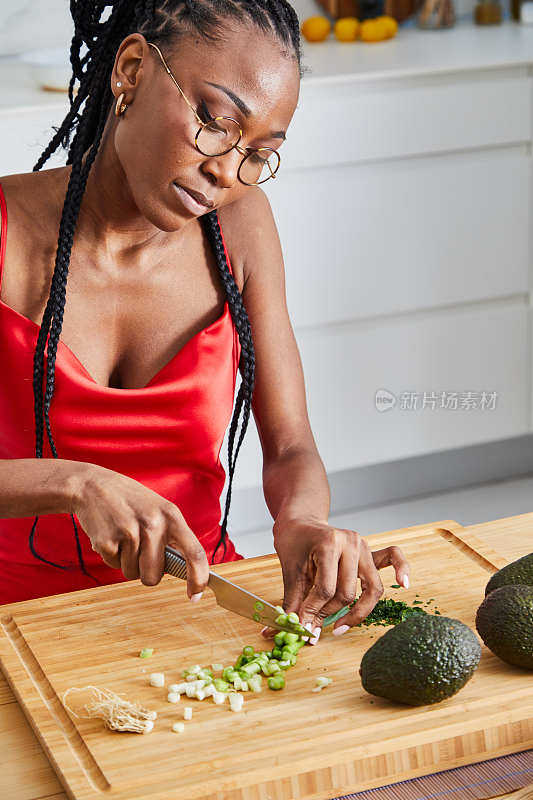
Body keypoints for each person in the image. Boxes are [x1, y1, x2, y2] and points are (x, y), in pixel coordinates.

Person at [0, 0, 409, 643]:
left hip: (198, 612)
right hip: (19, 625)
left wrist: (301, 522)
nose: (227, 171)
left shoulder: (240, 229)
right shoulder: (3, 231)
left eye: (259, 152)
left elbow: (292, 443)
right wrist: (73, 482)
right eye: (217, 121)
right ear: (132, 69)